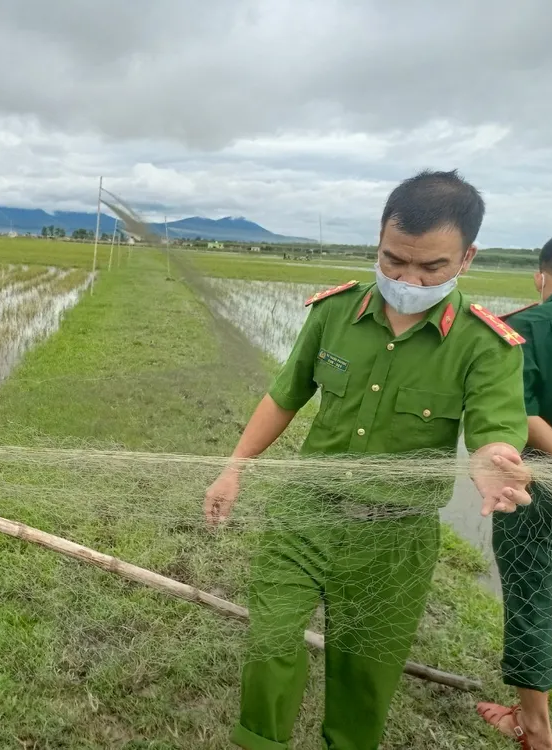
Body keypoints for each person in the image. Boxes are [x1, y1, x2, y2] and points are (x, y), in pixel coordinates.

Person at [204, 169, 533, 750]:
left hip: (394, 535)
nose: (408, 278)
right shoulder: (334, 312)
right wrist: (234, 467)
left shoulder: (485, 345)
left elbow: (495, 427)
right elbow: (285, 394)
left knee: (364, 671)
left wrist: (495, 459)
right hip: (304, 512)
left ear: (467, 257)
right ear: (379, 241)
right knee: (271, 640)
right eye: (393, 260)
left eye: (431, 267)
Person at [476, 232, 552, 750]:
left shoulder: (523, 326)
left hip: (532, 485)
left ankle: (534, 728)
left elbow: (523, 414)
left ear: (541, 276)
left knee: (532, 597)